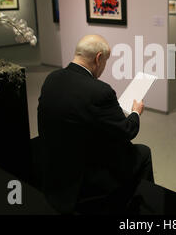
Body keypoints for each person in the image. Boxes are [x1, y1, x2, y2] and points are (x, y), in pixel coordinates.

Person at [37, 34, 154, 214]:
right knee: (143, 152)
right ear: (99, 58)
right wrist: (135, 112)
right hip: (84, 176)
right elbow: (127, 131)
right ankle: (136, 208)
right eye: (105, 62)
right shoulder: (100, 91)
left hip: (53, 166)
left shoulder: (52, 78)